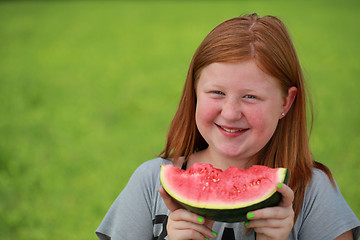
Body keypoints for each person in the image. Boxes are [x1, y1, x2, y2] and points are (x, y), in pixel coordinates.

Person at [95, 13, 360, 240]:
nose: (231, 113)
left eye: (250, 97)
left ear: (285, 102)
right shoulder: (151, 182)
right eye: (217, 93)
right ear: (195, 93)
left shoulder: (314, 192)